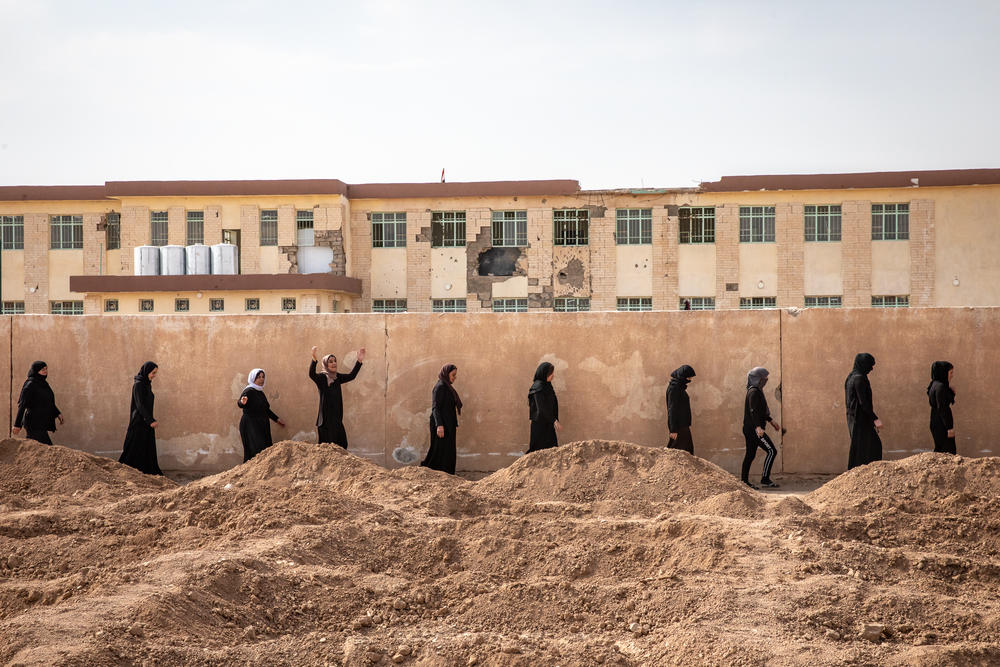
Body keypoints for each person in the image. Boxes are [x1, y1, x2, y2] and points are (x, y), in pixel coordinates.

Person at [309, 345, 365, 448]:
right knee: (328, 448)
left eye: (335, 361)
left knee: (342, 444)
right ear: (325, 364)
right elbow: (311, 374)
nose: (334, 363)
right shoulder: (321, 378)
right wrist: (314, 358)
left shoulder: (337, 377)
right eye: (330, 361)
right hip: (325, 421)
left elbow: (351, 376)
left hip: (336, 420)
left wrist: (359, 361)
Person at [119, 361, 163, 476]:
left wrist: (149, 421)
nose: (154, 375)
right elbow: (140, 405)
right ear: (146, 371)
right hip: (139, 423)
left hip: (146, 423)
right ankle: (125, 473)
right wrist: (150, 420)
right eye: (153, 373)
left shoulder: (146, 384)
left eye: (155, 373)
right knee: (134, 448)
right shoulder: (138, 385)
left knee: (146, 448)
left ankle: (146, 473)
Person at [741, 367, 782, 489]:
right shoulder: (753, 392)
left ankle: (744, 481)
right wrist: (758, 427)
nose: (766, 380)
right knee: (771, 451)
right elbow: (753, 411)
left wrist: (770, 421)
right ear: (757, 379)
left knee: (750, 454)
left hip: (751, 429)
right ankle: (764, 478)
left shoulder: (757, 391)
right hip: (754, 430)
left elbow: (761, 411)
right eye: (764, 378)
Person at [238, 368, 286, 462]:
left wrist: (277, 419)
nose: (261, 379)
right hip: (251, 425)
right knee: (256, 450)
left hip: (261, 425)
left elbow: (265, 410)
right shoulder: (249, 391)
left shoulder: (260, 392)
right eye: (259, 377)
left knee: (264, 450)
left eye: (263, 377)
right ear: (253, 378)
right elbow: (240, 403)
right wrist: (242, 402)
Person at [422, 364, 462, 474]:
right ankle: (430, 473)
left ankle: (448, 475)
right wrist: (439, 425)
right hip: (441, 426)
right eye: (453, 375)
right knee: (438, 451)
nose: (455, 377)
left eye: (455, 375)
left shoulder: (447, 387)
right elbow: (435, 408)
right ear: (446, 374)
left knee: (448, 451)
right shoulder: (439, 387)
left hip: (448, 425)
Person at [13, 361, 64, 445]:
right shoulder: (30, 384)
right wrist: (17, 425)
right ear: (36, 371)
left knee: (36, 447)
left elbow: (47, 401)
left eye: (46, 369)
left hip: (42, 422)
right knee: (47, 447)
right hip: (33, 423)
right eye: (42, 369)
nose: (45, 371)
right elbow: (22, 405)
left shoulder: (44, 384)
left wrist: (57, 413)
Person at [846, 353, 883, 470]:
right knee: (872, 447)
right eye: (869, 365)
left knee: (861, 448)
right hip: (860, 419)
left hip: (855, 418)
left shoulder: (851, 377)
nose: (871, 369)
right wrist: (875, 419)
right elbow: (863, 403)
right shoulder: (859, 379)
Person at [527, 362, 561, 453]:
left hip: (547, 424)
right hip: (539, 425)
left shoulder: (547, 386)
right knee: (537, 451)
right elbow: (541, 407)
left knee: (551, 451)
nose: (553, 376)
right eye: (551, 374)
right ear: (544, 374)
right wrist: (554, 420)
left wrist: (554, 419)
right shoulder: (538, 387)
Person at [927, 361, 956, 455]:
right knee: (948, 452)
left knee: (940, 451)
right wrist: (949, 428)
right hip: (941, 424)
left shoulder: (934, 384)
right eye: (950, 373)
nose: (952, 375)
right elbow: (943, 408)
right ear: (944, 373)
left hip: (935, 420)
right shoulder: (941, 387)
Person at [666, 365, 696, 454]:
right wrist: (673, 429)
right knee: (676, 452)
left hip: (683, 425)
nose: (690, 380)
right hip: (679, 426)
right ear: (682, 377)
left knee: (684, 451)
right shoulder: (674, 389)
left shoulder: (678, 388)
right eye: (688, 377)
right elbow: (672, 409)